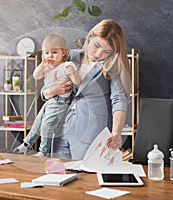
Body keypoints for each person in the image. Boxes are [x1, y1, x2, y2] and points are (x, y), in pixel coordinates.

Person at [41, 19, 132, 160]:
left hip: (91, 132)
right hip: (60, 128)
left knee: (85, 178)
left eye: (106, 51)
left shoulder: (110, 66)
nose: (98, 54)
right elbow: (45, 88)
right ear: (90, 36)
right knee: (58, 174)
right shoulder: (69, 56)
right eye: (96, 45)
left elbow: (118, 99)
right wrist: (51, 91)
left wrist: (116, 133)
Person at [13, 34, 81, 156]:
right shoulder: (47, 67)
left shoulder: (67, 66)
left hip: (60, 102)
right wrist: (42, 65)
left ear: (64, 53)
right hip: (50, 101)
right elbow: (36, 76)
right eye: (47, 53)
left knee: (47, 126)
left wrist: (74, 73)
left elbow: (77, 82)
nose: (50, 56)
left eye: (54, 52)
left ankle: (43, 151)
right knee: (38, 122)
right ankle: (26, 144)